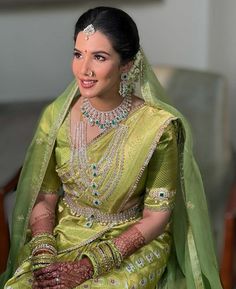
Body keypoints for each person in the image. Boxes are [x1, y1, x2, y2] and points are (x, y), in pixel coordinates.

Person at [1, 6, 222, 289]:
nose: (84, 69)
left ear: (127, 64)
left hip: (132, 243)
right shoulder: (57, 119)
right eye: (78, 54)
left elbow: (157, 217)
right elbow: (45, 197)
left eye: (99, 57)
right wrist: (45, 255)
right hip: (63, 235)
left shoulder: (157, 128)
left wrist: (88, 266)